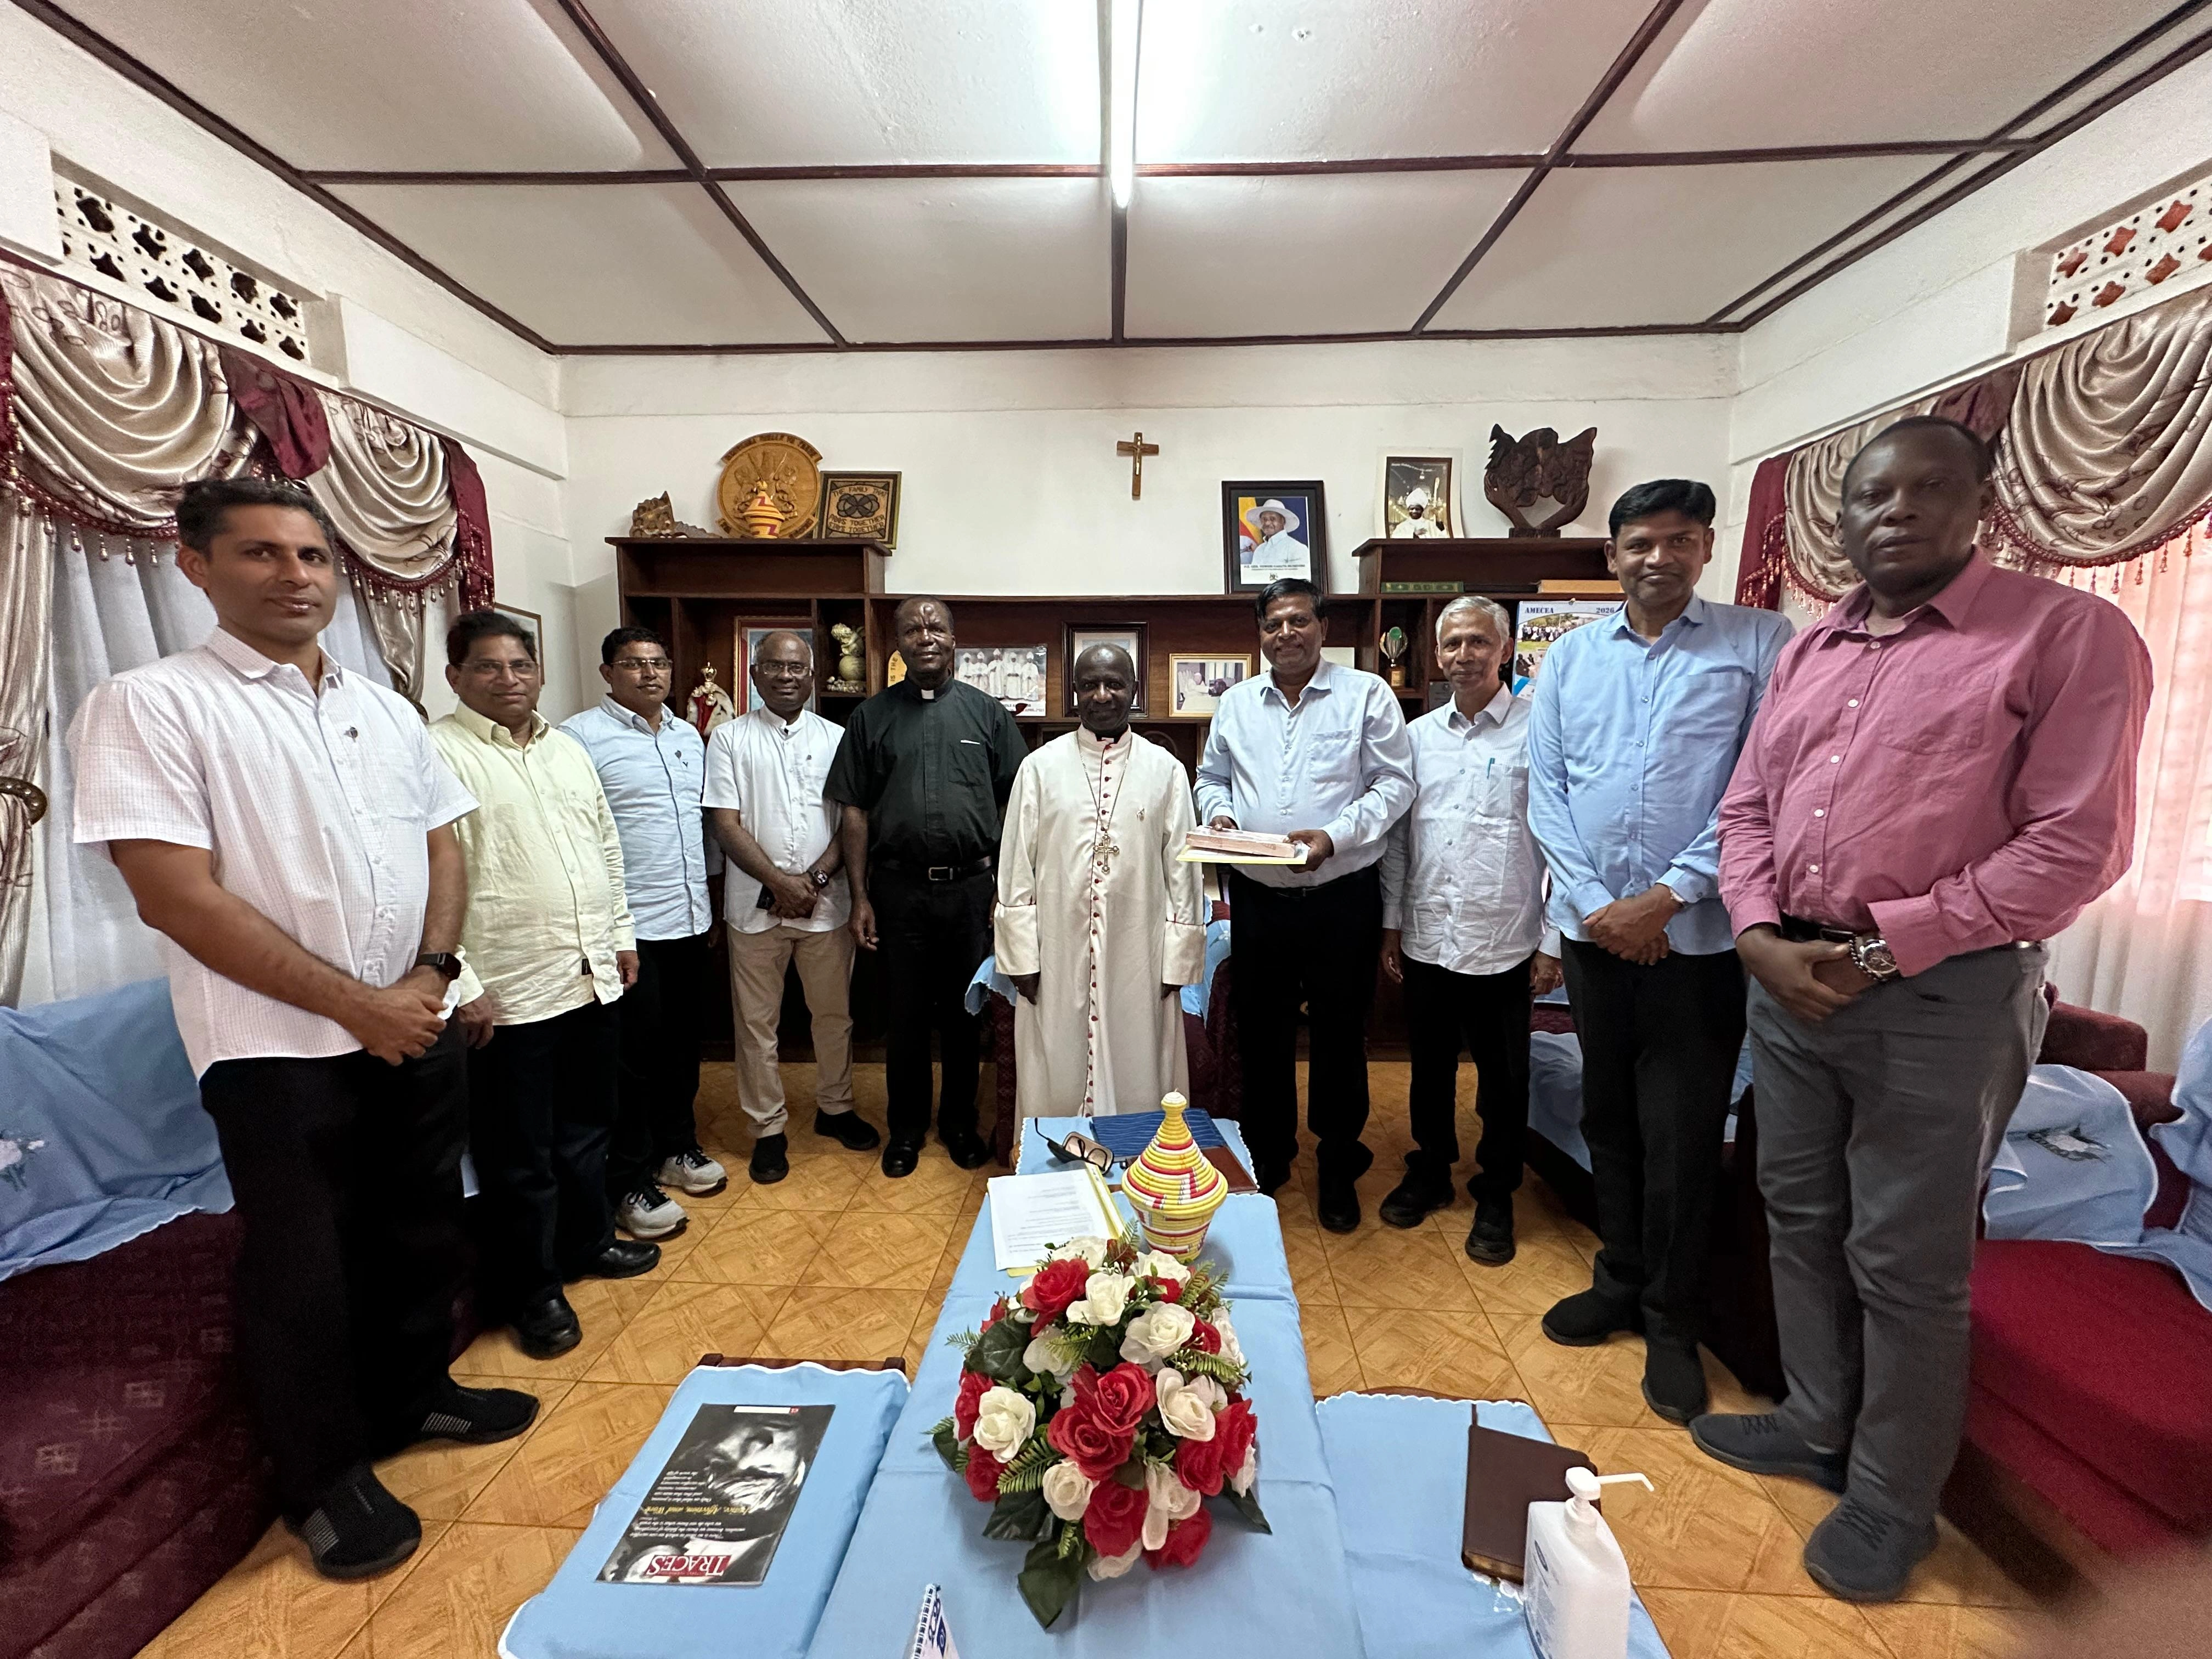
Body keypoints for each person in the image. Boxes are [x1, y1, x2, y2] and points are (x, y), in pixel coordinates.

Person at [1696, 417, 2152, 1602]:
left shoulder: (2066, 635)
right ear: (1839, 520)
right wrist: (1754, 935)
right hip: (1790, 982)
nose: (1895, 511)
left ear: (1981, 504)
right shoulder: (1813, 650)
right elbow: (1748, 808)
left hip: (1941, 995)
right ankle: (1813, 1420)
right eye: (1870, 496)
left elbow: (2076, 846)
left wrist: (1890, 946)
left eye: (1927, 489)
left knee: (1906, 1255)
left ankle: (1894, 1499)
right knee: (1798, 1212)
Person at [69, 477, 535, 1581]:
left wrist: (428, 974)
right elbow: (174, 895)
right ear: (198, 567)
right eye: (263, 555)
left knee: (419, 1223)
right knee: (303, 1265)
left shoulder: (379, 702)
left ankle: (416, 1396)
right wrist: (355, 1003)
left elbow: (442, 847)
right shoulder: (152, 705)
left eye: (314, 558)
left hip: (409, 1018)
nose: (295, 577)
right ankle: (322, 1481)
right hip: (276, 1049)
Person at [1525, 479, 1792, 1425]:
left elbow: (1760, 787)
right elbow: (1546, 790)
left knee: (1681, 1132)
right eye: (1639, 542)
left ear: (1706, 547)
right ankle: (1621, 1279)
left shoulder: (1762, 643)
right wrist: (1599, 908)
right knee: (1610, 1117)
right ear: (1612, 554)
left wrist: (1666, 896)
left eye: (1678, 540)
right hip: (1597, 936)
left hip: (1699, 940)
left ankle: (1673, 1320)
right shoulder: (1565, 660)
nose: (1657, 557)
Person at [431, 611, 658, 1363]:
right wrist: (462, 982)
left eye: (520, 667)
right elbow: (427, 881)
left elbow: (604, 846)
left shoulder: (566, 751)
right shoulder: (440, 754)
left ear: (540, 673)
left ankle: (589, 1244)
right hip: (509, 993)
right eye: (489, 668)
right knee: (518, 1155)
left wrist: (619, 935)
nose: (508, 680)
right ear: (455, 676)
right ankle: (532, 1291)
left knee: (589, 1131)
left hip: (588, 975)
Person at [1195, 577, 1415, 1230]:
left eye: (1298, 621)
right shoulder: (1236, 703)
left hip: (1342, 897)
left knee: (1341, 1035)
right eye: (1273, 625)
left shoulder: (1366, 695)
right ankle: (1271, 1155)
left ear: (1323, 627)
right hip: (1261, 899)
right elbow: (1212, 778)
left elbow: (1394, 785)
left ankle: (1339, 1162)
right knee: (1262, 1034)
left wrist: (1335, 836)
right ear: (1259, 634)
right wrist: (1223, 817)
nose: (1285, 634)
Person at [1378, 596, 1561, 1263]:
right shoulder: (1417, 738)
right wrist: (1393, 927)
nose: (1464, 655)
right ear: (1435, 653)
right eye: (1451, 643)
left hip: (1505, 939)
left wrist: (1552, 941)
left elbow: (1560, 845)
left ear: (1505, 648)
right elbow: (1401, 842)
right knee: (1427, 1070)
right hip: (1430, 934)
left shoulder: (1540, 732)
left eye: (1478, 642)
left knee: (1503, 1079)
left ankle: (1497, 1189)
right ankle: (1430, 1168)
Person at [825, 597, 1025, 1177]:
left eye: (936, 626)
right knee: (906, 1018)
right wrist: (860, 897)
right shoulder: (870, 717)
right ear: (899, 643)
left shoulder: (989, 716)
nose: (926, 636)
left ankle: (960, 1124)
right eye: (913, 628)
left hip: (970, 892)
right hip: (898, 892)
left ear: (954, 638)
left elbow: (1019, 802)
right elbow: (855, 810)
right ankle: (907, 1129)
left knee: (965, 1017)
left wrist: (1003, 888)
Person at [560, 627, 726, 1244]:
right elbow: (581, 835)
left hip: (688, 917)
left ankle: (676, 1149)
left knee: (683, 1046)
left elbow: (703, 827)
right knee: (631, 1060)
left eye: (658, 663)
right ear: (608, 672)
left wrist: (710, 893)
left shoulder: (688, 737)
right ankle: (629, 1180)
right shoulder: (581, 738)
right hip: (630, 929)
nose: (649, 674)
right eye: (633, 664)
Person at [996, 644, 1207, 1116]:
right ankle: (1053, 1166)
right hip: (1056, 950)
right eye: (1090, 684)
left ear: (1134, 692)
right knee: (1055, 1060)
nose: (1103, 694)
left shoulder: (1165, 770)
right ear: (1075, 693)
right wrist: (1021, 956)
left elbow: (1184, 869)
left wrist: (1177, 960)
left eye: (1115, 684)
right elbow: (1015, 869)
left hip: (1140, 952)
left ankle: (1141, 1162)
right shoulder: (1039, 768)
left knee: (1141, 1055)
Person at [704, 629, 878, 1183]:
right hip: (754, 911)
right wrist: (781, 882)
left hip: (826, 904)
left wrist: (817, 878)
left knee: (834, 1016)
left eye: (797, 668)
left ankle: (836, 1108)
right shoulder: (729, 739)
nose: (786, 676)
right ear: (755, 674)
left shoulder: (838, 736)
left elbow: (851, 818)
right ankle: (767, 1128)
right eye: (775, 667)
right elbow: (726, 824)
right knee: (757, 1025)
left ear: (811, 675)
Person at [1240, 500, 1309, 579]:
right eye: (1264, 519)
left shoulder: (1297, 548)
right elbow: (1252, 579)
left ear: (1283, 521)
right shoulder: (1259, 550)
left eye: (1272, 519)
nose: (1267, 523)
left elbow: (1300, 582)